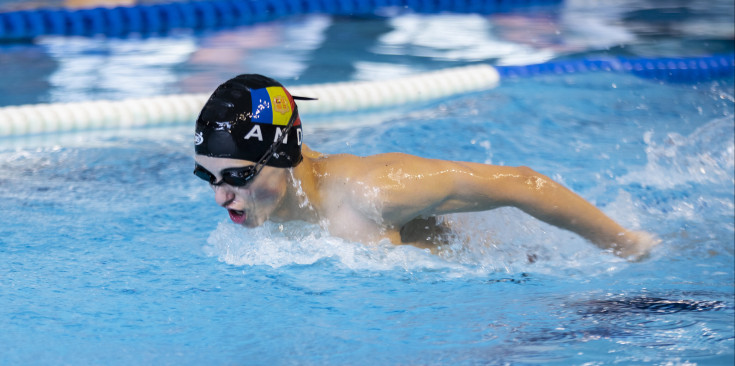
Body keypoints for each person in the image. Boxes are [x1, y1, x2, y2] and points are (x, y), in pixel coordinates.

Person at [193, 74, 659, 260]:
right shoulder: (265, 205)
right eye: (209, 178)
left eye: (237, 177)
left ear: (285, 156)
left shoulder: (375, 192)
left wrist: (623, 244)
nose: (221, 196)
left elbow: (522, 182)